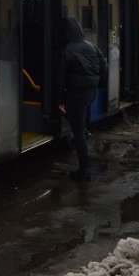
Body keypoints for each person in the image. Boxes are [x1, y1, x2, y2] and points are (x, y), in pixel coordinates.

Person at [55, 15, 107, 181]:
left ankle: (83, 171)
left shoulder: (66, 50)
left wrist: (60, 100)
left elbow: (60, 79)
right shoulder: (92, 46)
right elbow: (103, 67)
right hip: (90, 93)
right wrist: (98, 85)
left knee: (77, 132)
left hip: (75, 94)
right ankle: (85, 131)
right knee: (78, 123)